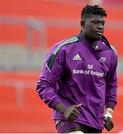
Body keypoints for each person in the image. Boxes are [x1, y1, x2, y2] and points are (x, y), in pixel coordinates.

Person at [36, 4, 118, 133]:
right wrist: (64, 109)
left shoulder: (110, 53)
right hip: (68, 118)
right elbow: (44, 85)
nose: (100, 27)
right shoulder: (63, 49)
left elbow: (111, 86)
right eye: (95, 22)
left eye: (102, 23)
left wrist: (108, 113)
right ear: (83, 23)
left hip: (95, 121)